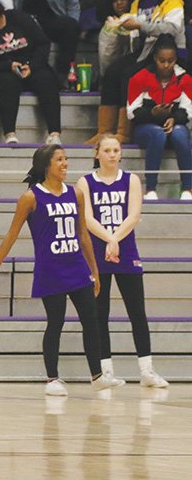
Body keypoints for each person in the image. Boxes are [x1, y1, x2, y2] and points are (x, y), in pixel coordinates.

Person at [0, 144, 124, 396]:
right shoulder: (31, 197)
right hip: (50, 270)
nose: (65, 163)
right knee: (56, 323)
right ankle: (52, 379)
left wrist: (93, 270)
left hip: (77, 268)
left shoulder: (76, 194)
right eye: (59, 159)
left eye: (66, 159)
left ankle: (97, 376)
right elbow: (11, 235)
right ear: (46, 165)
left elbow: (83, 235)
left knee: (91, 322)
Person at [76, 134, 169, 388]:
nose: (112, 154)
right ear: (97, 153)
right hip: (98, 253)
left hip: (125, 251)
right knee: (99, 314)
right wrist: (109, 239)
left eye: (116, 150)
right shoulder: (85, 182)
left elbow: (134, 215)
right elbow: (87, 219)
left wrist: (115, 240)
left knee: (137, 311)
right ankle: (106, 371)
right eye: (107, 150)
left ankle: (147, 370)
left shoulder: (132, 180)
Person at [87, 0, 186, 143]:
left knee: (129, 74)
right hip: (145, 51)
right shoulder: (137, 3)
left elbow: (172, 28)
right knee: (113, 72)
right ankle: (104, 131)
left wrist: (141, 25)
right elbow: (132, 26)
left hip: (168, 54)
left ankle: (124, 132)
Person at [0, 0, 62, 145]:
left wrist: (32, 66)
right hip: (4, 70)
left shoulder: (19, 17)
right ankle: (10, 134)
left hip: (32, 64)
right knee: (7, 83)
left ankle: (54, 133)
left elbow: (43, 43)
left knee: (46, 79)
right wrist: (8, 66)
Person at [126, 33, 192, 200]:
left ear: (176, 59)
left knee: (180, 133)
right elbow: (131, 112)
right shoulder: (139, 77)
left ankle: (188, 189)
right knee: (157, 134)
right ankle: (150, 189)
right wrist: (152, 114)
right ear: (155, 58)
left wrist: (174, 119)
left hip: (174, 126)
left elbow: (188, 110)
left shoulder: (185, 79)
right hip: (146, 129)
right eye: (162, 60)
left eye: (170, 61)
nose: (166, 65)